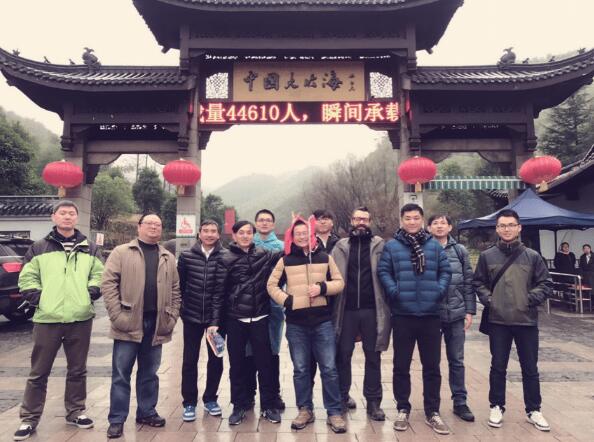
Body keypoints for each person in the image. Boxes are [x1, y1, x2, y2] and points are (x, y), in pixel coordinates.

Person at [13, 200, 104, 441]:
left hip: (80, 318)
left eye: (71, 213)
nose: (67, 217)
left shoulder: (89, 248)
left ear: (77, 218)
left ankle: (76, 411)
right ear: (54, 217)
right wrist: (40, 299)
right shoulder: (39, 247)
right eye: (62, 213)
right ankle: (29, 418)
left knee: (78, 370)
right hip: (47, 319)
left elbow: (99, 274)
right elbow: (27, 277)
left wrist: (89, 294)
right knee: (39, 371)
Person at [101, 213, 181, 439]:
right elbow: (108, 284)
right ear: (139, 227)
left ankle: (146, 412)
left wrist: (172, 316)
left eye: (158, 224)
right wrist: (117, 315)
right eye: (149, 224)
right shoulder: (122, 252)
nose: (154, 227)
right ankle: (117, 419)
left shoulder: (167, 256)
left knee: (149, 373)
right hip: (127, 322)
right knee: (121, 374)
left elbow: (175, 289)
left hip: (156, 323)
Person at [473, 209, 552, 432]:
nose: (506, 229)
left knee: (530, 367)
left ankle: (534, 409)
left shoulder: (532, 256)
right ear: (497, 229)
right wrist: (490, 300)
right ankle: (496, 406)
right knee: (498, 366)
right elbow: (478, 282)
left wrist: (529, 299)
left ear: (519, 227)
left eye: (511, 225)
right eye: (502, 225)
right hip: (498, 321)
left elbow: (545, 283)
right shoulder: (487, 256)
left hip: (526, 320)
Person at [378, 203, 452, 435]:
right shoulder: (392, 246)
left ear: (422, 220)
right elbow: (384, 272)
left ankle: (432, 411)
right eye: (408, 218)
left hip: (430, 315)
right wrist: (395, 292)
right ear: (401, 220)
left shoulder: (434, 246)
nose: (412, 222)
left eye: (416, 218)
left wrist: (438, 291)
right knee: (401, 365)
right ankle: (403, 408)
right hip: (403, 315)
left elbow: (445, 271)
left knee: (432, 366)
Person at [267, 217, 347, 433]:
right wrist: (287, 300)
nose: (302, 237)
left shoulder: (324, 257)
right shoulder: (285, 260)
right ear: (292, 237)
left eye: (305, 233)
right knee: (301, 369)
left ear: (311, 235)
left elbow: (339, 282)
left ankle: (334, 412)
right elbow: (271, 285)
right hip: (296, 325)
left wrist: (322, 288)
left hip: (323, 322)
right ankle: (305, 409)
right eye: (298, 234)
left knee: (329, 369)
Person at [213, 220, 283, 426]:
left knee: (265, 363)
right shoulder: (225, 258)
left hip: (260, 318)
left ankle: (268, 405)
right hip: (235, 319)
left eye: (249, 232)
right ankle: (239, 405)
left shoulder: (264, 254)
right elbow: (218, 293)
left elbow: (285, 255)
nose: (245, 236)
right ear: (234, 235)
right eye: (241, 233)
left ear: (253, 235)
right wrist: (214, 322)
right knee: (237, 365)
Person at [332, 207, 391, 420]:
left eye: (364, 219)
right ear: (351, 220)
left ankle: (373, 402)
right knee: (343, 354)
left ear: (370, 221)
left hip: (372, 309)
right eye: (357, 219)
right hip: (346, 310)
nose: (361, 222)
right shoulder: (340, 246)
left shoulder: (380, 245)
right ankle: (341, 397)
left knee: (373, 356)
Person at [427, 214, 476, 422]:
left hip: (456, 313)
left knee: (457, 360)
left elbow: (468, 282)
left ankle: (460, 402)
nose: (439, 226)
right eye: (435, 223)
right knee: (432, 362)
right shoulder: (423, 249)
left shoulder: (460, 250)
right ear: (429, 228)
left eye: (443, 223)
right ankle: (432, 405)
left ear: (449, 227)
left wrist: (469, 310)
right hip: (431, 314)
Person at [177, 220, 226, 421]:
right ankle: (189, 402)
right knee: (190, 360)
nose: (209, 234)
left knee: (216, 359)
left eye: (213, 231)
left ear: (219, 234)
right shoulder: (186, 256)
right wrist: (182, 310)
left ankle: (210, 399)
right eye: (205, 231)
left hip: (217, 320)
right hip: (191, 317)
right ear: (199, 233)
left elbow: (224, 290)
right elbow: (180, 286)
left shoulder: (225, 256)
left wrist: (216, 319)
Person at [246, 209, 285, 410]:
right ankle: (249, 393)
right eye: (260, 220)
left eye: (268, 220)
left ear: (273, 224)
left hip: (273, 306)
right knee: (249, 350)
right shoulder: (246, 244)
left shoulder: (282, 247)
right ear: (255, 223)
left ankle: (273, 394)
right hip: (249, 307)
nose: (264, 223)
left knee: (272, 350)